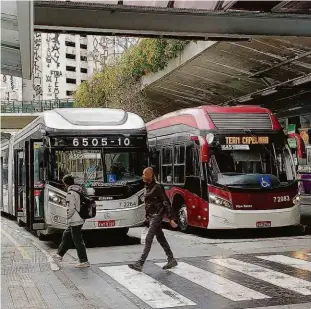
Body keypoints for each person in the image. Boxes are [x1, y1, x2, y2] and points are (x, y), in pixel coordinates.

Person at [128, 167, 178, 271]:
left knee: (148, 238)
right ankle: (171, 259)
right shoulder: (147, 186)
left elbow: (165, 202)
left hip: (157, 216)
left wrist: (171, 218)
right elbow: (148, 204)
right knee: (161, 238)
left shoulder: (158, 187)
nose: (142, 176)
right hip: (151, 217)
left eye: (144, 174)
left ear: (150, 176)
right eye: (143, 174)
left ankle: (140, 263)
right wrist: (147, 218)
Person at [53, 175, 90, 268]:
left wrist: (67, 218)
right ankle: (59, 255)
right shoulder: (79, 189)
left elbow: (71, 208)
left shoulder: (71, 193)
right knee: (66, 234)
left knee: (77, 240)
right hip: (80, 218)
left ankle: (84, 260)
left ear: (65, 183)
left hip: (75, 219)